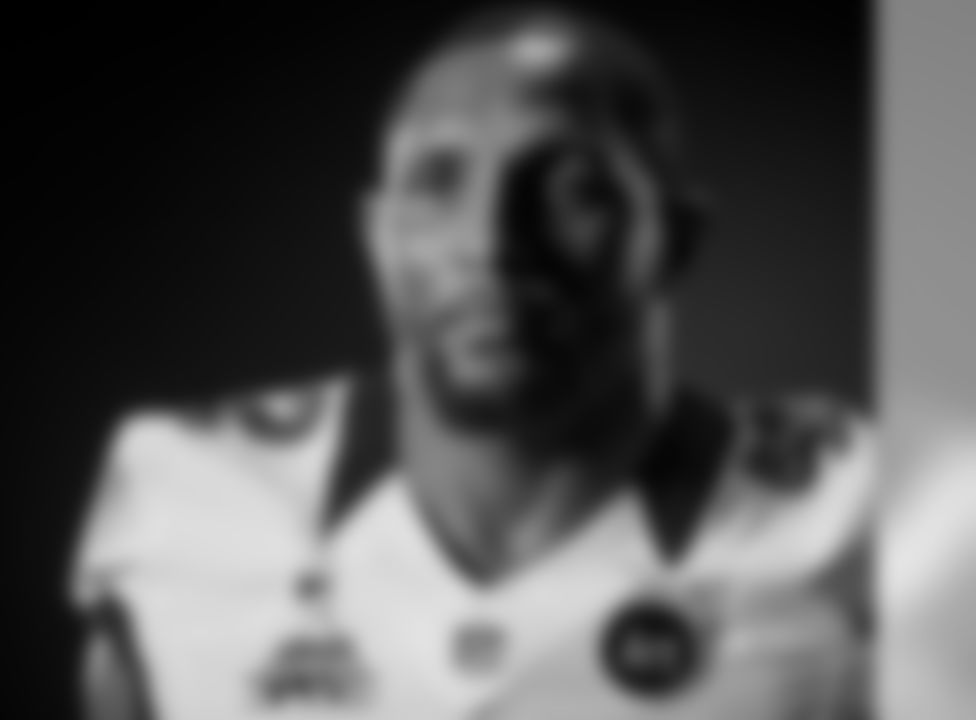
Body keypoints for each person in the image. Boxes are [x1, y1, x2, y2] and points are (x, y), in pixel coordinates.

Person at [67, 5, 877, 719]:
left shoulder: (859, 522)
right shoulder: (183, 498)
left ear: (678, 239)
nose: (489, 243)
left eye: (571, 187)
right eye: (436, 182)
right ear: (377, 236)